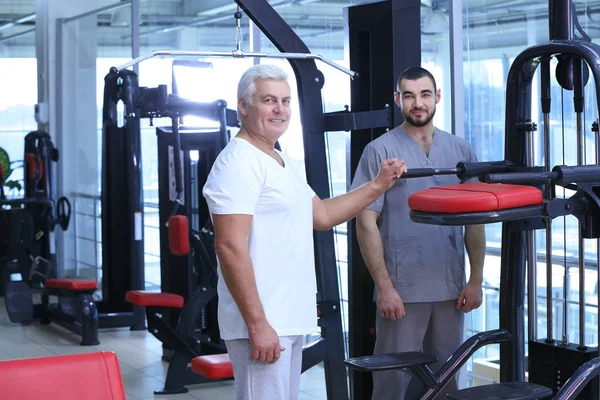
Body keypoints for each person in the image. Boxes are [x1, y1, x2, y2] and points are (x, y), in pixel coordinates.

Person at [202, 63, 408, 400]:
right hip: (264, 322)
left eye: (285, 101)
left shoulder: (281, 160)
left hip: (286, 320)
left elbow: (323, 215)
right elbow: (229, 247)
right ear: (243, 106)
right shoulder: (238, 162)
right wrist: (257, 324)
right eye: (269, 100)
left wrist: (378, 186)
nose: (280, 110)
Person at [351, 66, 487, 400]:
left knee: (449, 378)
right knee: (391, 381)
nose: (418, 103)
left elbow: (475, 220)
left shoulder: (460, 150)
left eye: (425, 94)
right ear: (398, 100)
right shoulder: (380, 151)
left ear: (437, 97)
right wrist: (384, 288)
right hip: (402, 290)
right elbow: (365, 222)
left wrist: (476, 279)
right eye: (409, 95)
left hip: (450, 288)